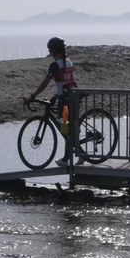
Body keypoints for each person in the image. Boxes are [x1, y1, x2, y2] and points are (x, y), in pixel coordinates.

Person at [24, 36, 80, 166]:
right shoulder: (69, 62)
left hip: (65, 101)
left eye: (50, 51)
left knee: (66, 128)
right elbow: (67, 82)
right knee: (72, 127)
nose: (50, 54)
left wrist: (32, 96)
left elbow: (45, 83)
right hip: (73, 97)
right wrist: (55, 97)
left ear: (54, 51)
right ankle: (80, 155)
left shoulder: (55, 65)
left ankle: (67, 159)